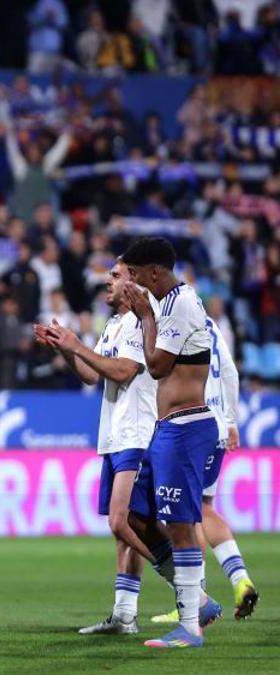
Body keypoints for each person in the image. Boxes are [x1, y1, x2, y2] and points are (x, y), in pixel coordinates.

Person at [34, 258, 158, 635]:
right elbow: (92, 375)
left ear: (133, 281)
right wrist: (66, 349)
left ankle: (191, 592)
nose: (108, 282)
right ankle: (124, 615)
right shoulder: (115, 324)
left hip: (138, 432)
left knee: (122, 521)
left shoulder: (141, 321)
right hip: (115, 434)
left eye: (116, 276)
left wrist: (77, 345)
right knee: (125, 529)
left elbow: (123, 370)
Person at [121, 237, 223, 649]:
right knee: (137, 516)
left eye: (135, 274)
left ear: (154, 272)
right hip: (168, 429)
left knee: (181, 526)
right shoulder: (169, 304)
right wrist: (147, 314)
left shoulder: (178, 303)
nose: (133, 281)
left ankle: (189, 627)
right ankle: (196, 604)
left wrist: (145, 317)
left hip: (187, 427)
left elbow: (159, 366)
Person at [151, 317, 259, 625]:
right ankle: (240, 579)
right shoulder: (209, 324)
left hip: (189, 424)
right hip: (216, 425)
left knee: (183, 515)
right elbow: (230, 372)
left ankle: (194, 599)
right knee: (204, 508)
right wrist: (231, 420)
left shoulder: (169, 322)